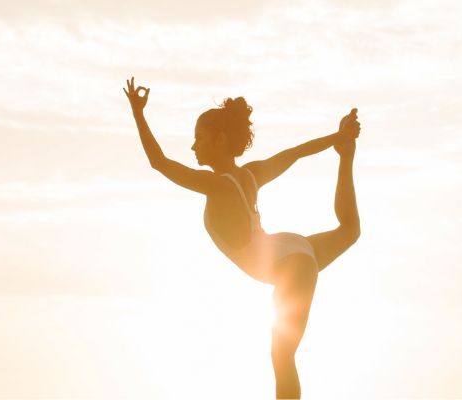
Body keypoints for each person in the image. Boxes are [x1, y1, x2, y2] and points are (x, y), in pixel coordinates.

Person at [124, 77, 361, 399]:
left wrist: (138, 114)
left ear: (219, 140)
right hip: (288, 248)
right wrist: (340, 139)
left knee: (282, 356)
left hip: (288, 262)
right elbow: (294, 153)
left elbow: (159, 163)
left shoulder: (218, 185)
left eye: (199, 138)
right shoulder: (251, 174)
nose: (193, 146)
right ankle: (347, 156)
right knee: (349, 230)